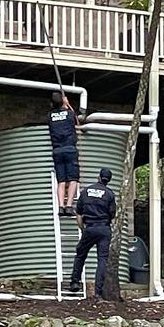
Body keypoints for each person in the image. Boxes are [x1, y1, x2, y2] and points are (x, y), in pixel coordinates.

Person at [69, 168, 116, 298]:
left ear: (99, 177)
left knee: (80, 253)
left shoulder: (86, 191)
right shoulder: (109, 194)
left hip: (90, 227)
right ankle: (98, 293)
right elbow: (112, 215)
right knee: (102, 260)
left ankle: (74, 282)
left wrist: (83, 229)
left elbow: (78, 214)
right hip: (104, 229)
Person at [48, 91, 80, 216]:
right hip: (70, 149)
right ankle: (69, 206)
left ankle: (61, 206)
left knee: (61, 181)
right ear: (63, 102)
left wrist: (62, 105)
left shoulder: (49, 116)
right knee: (73, 179)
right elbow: (77, 120)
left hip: (57, 151)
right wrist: (67, 104)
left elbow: (59, 114)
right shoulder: (70, 114)